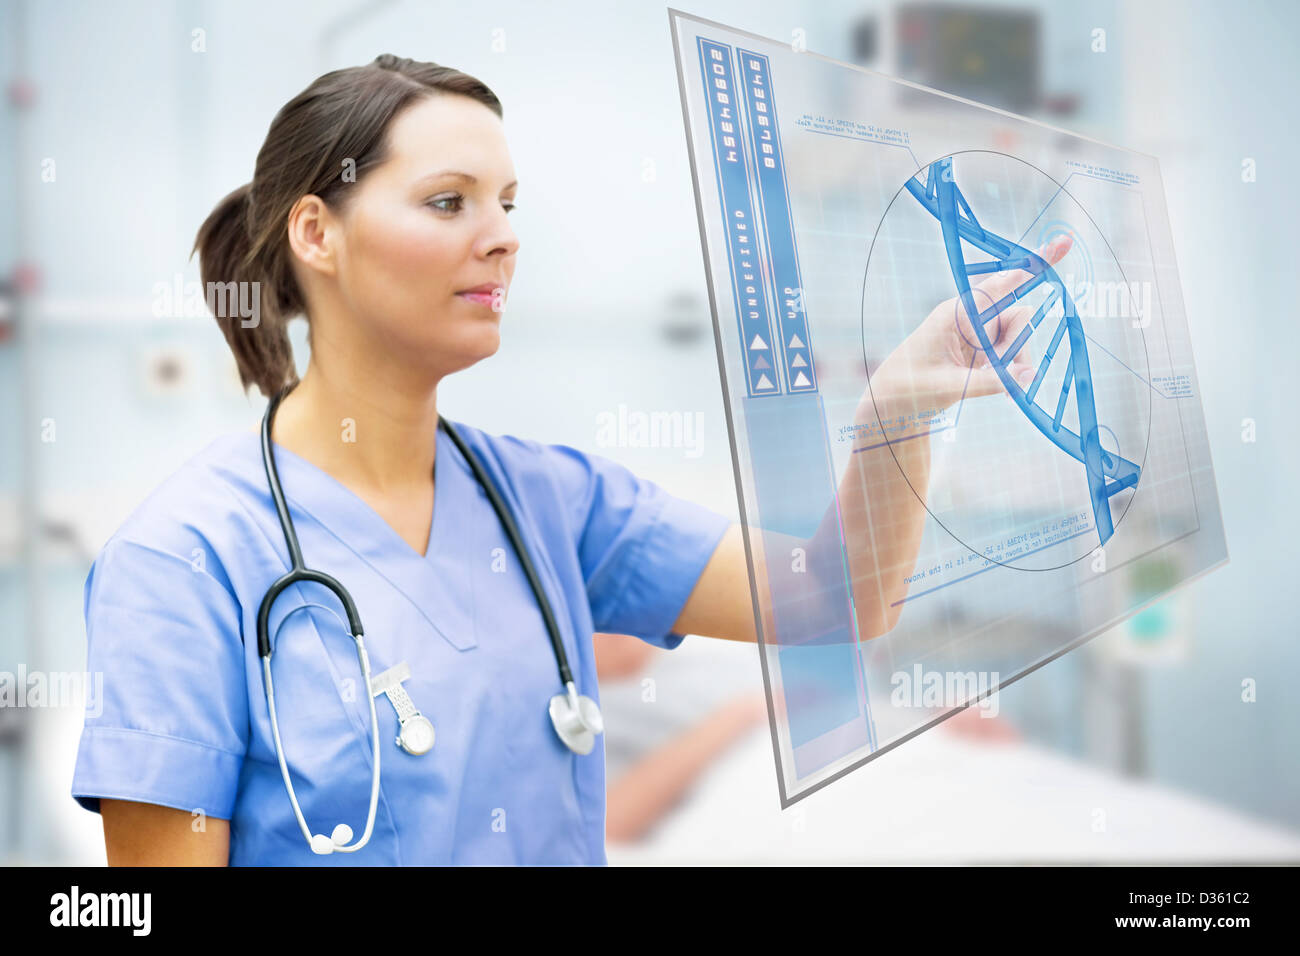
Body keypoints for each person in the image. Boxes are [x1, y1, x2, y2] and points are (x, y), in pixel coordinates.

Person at [70, 54, 1071, 866]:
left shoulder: (549, 498)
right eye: (449, 201)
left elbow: (838, 597)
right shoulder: (182, 558)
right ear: (316, 231)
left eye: (508, 202)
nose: (503, 238)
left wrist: (900, 402)